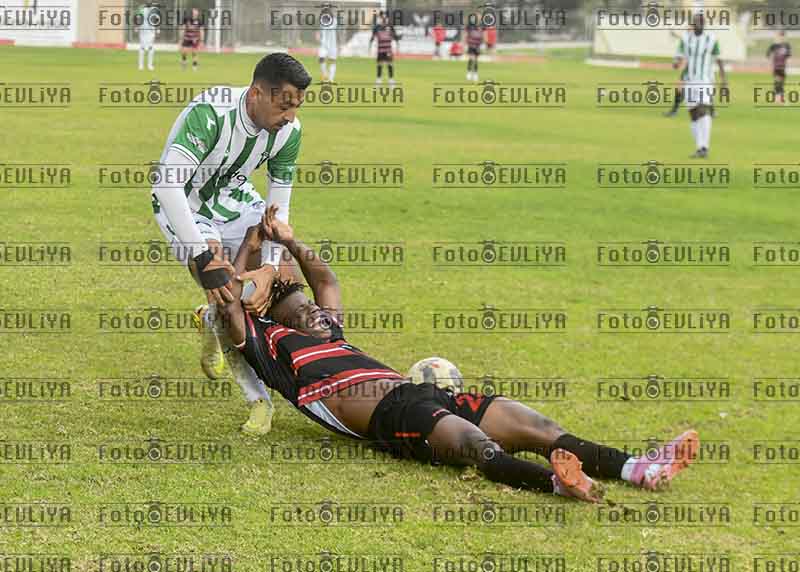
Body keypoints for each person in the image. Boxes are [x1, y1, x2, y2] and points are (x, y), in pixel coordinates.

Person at [212, 206, 700, 502]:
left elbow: (327, 280)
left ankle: (638, 468)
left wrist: (290, 242)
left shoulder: (332, 333)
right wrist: (250, 245)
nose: (317, 313)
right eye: (305, 311)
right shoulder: (272, 349)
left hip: (421, 392)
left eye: (316, 311)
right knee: (475, 445)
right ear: (280, 317)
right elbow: (229, 303)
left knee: (535, 425)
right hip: (390, 417)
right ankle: (558, 484)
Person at [149, 54, 311, 435]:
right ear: (256, 94)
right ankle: (258, 400)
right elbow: (168, 185)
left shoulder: (289, 131)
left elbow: (279, 209)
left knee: (286, 280)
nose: (290, 116)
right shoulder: (210, 113)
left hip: (236, 201)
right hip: (186, 205)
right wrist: (203, 256)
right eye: (284, 105)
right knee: (226, 290)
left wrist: (269, 267)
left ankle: (211, 321)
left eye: (297, 106)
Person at [678, 13, 726, 158]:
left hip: (705, 80)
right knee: (693, 114)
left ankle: (704, 147)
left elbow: (719, 59)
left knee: (702, 110)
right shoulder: (686, 39)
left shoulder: (711, 39)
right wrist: (676, 63)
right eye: (695, 22)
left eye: (700, 22)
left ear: (704, 24)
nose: (698, 25)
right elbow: (679, 56)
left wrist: (724, 79)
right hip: (689, 80)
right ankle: (700, 147)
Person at [370, 12, 400, 85]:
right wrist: (370, 48)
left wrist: (397, 47)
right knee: (379, 64)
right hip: (380, 49)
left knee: (390, 64)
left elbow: (395, 37)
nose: (384, 19)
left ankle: (391, 80)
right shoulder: (377, 27)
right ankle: (378, 79)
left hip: (388, 50)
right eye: (382, 17)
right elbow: (372, 38)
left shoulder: (390, 26)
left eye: (385, 17)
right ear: (380, 18)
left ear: (387, 18)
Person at [767, 30, 791, 105]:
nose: (781, 37)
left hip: (783, 67)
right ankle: (779, 99)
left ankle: (778, 98)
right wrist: (771, 63)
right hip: (776, 67)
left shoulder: (787, 45)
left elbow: (788, 56)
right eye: (780, 35)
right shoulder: (774, 45)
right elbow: (768, 55)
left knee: (782, 83)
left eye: (782, 36)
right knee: (778, 82)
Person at [317, 4, 337, 82]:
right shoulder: (321, 20)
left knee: (332, 60)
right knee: (321, 58)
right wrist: (318, 34)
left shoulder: (334, 20)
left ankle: (331, 79)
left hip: (332, 44)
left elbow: (330, 27)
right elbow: (321, 30)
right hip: (324, 44)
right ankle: (325, 75)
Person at [179, 8, 204, 72]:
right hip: (187, 38)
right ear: (192, 13)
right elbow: (183, 28)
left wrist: (201, 40)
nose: (196, 14)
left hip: (195, 39)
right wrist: (181, 38)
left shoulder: (199, 21)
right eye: (194, 13)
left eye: (197, 13)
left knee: (194, 52)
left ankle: (194, 66)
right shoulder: (186, 19)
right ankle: (184, 62)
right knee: (184, 52)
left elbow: (201, 30)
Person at [137, 1, 158, 71]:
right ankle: (141, 65)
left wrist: (157, 28)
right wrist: (137, 26)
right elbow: (138, 18)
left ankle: (150, 65)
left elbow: (157, 20)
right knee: (142, 47)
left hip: (151, 31)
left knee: (151, 47)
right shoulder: (141, 9)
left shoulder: (154, 10)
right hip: (143, 30)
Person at [465, 15, 483, 82]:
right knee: (471, 58)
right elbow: (465, 33)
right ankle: (469, 72)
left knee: (476, 60)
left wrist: (483, 43)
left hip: (478, 45)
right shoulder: (470, 25)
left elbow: (483, 34)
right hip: (471, 44)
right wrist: (464, 43)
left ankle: (475, 74)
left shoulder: (481, 26)